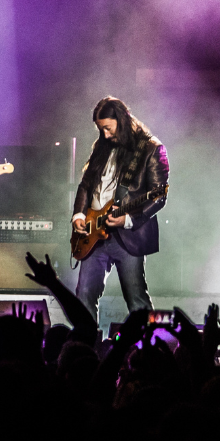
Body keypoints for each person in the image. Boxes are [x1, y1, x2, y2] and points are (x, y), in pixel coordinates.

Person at [71, 96, 169, 321]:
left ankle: (146, 351)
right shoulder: (102, 146)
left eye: (107, 128)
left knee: (136, 299)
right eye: (100, 129)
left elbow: (159, 196)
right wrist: (79, 215)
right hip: (92, 234)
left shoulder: (151, 149)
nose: (104, 134)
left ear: (121, 120)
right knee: (84, 295)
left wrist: (127, 219)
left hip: (128, 235)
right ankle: (87, 349)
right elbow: (85, 184)